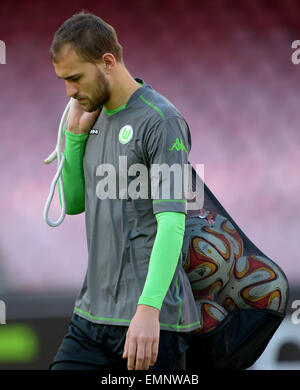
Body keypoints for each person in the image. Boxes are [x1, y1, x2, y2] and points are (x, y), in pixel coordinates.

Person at [48, 11, 200, 371]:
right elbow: (72, 204)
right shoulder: (91, 114)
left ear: (107, 62)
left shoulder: (161, 121)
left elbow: (172, 224)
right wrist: (74, 137)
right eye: (64, 81)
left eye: (75, 79)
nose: (70, 92)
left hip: (151, 323)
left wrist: (147, 311)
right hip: (91, 317)